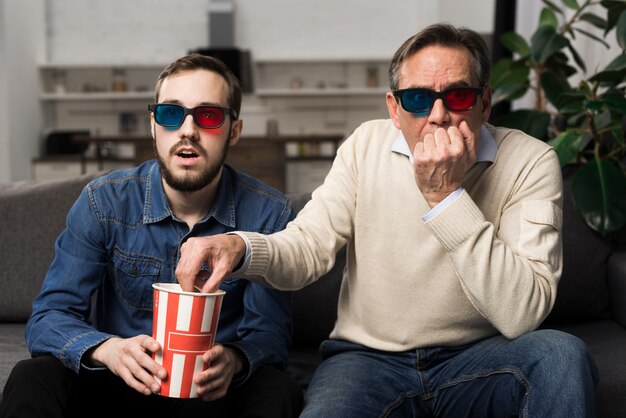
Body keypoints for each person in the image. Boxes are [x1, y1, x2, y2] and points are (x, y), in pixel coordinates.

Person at [175, 24, 599, 417]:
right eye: (417, 99)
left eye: (457, 97)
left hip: (481, 356)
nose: (438, 116)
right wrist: (239, 246)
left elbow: (522, 313)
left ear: (484, 103)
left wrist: (446, 196)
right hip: (367, 360)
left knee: (561, 354)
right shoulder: (366, 145)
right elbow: (307, 246)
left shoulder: (531, 161)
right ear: (394, 109)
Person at [0, 53, 303, 418]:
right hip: (118, 382)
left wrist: (236, 360)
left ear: (233, 131)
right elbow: (49, 316)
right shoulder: (103, 201)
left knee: (278, 389)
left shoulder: (269, 212)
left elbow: (269, 336)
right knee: (33, 376)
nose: (188, 130)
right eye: (171, 114)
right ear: (153, 125)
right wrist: (107, 349)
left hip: (211, 393)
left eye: (208, 116)